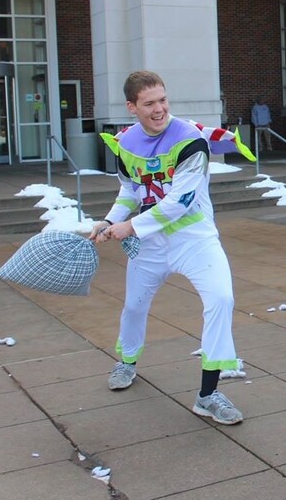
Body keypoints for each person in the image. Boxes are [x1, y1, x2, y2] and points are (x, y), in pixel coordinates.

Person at [92, 70, 243, 425]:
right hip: (150, 243)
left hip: (194, 238)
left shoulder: (191, 140)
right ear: (132, 107)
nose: (159, 109)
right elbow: (129, 191)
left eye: (163, 100)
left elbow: (181, 201)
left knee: (221, 299)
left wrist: (129, 226)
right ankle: (127, 361)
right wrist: (110, 221)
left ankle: (208, 394)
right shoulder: (125, 143)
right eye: (149, 103)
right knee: (134, 306)